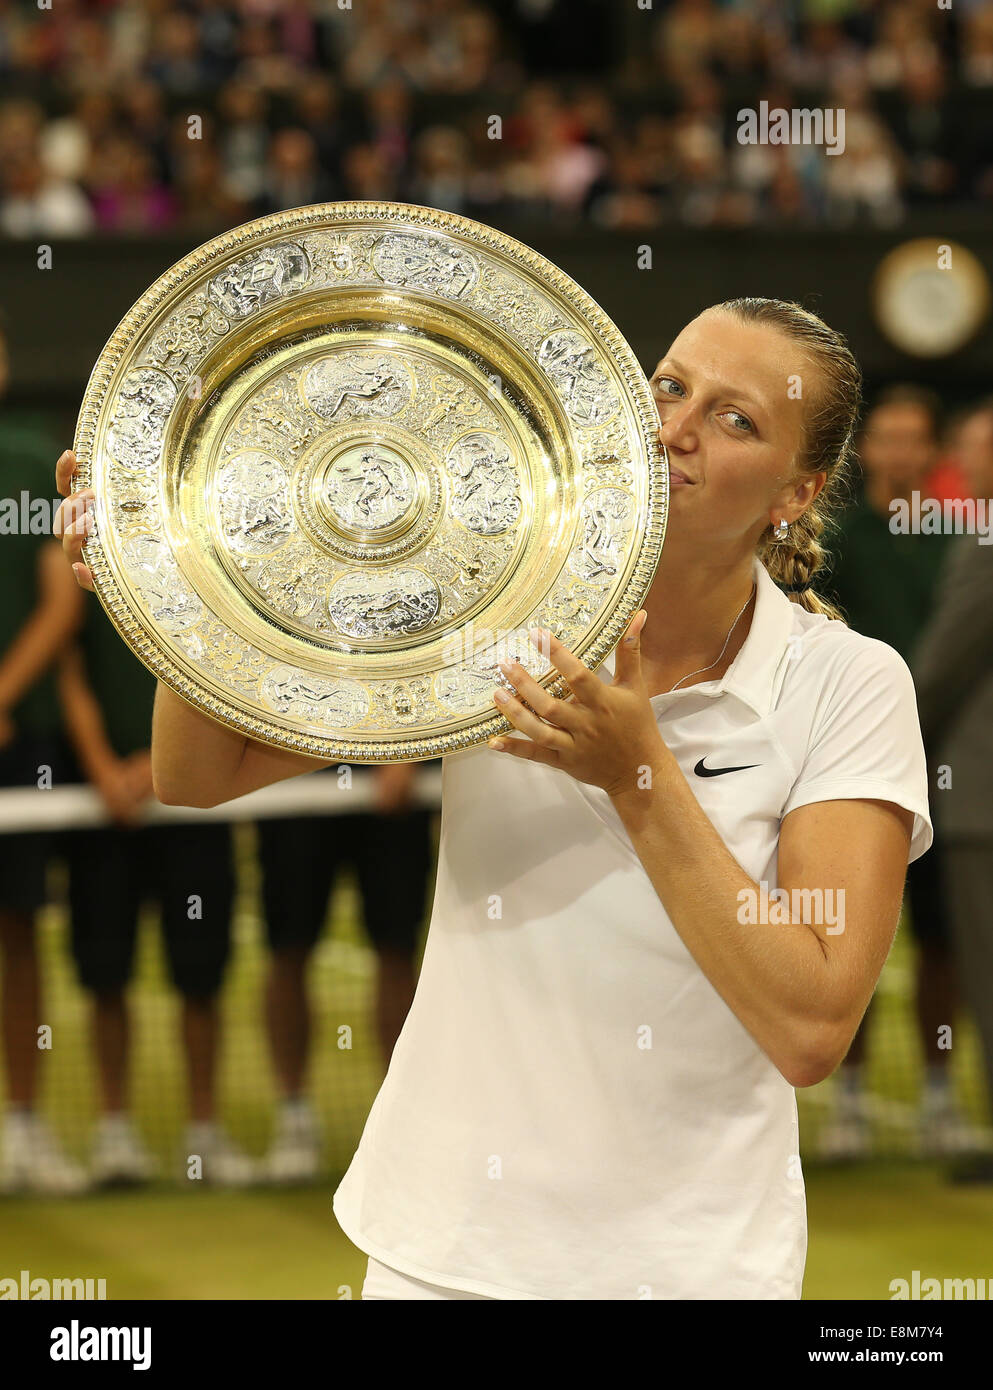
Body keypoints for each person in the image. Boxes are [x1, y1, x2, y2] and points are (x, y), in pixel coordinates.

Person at [57, 297, 931, 1299]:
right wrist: (181, 578)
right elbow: (199, 773)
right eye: (672, 386)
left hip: (695, 1268)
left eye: (738, 420)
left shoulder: (849, 683)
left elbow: (812, 1027)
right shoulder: (497, 600)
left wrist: (638, 779)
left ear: (797, 490)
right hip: (441, 1252)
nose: (678, 429)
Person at [822, 386, 978, 1159]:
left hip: (948, 769)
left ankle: (940, 1101)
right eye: (887, 437)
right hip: (857, 770)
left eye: (917, 439)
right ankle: (847, 1101)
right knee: (854, 939)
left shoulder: (961, 536)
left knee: (944, 947)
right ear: (865, 448)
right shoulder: (835, 539)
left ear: (933, 452)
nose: (902, 452)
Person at [54, 597, 255, 1187]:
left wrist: (161, 769)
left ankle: (204, 1134)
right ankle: (114, 1135)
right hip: (103, 809)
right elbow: (68, 667)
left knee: (201, 978)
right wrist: (102, 768)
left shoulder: (209, 561)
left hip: (194, 813)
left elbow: (229, 659)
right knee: (104, 976)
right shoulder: (91, 559)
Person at [256, 759, 436, 1184]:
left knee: (397, 951)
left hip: (392, 773)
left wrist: (407, 753)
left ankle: (402, 1128)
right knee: (287, 950)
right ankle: (293, 1120)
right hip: (294, 777)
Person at [0, 321, 87, 1195]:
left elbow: (61, 606)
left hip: (16, 747)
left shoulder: (29, 457)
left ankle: (20, 1129)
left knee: (20, 936)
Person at [913, 399, 993, 1183]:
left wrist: (891, 731)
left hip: (981, 799)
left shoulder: (985, 539)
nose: (965, 466)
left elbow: (942, 669)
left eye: (976, 452)